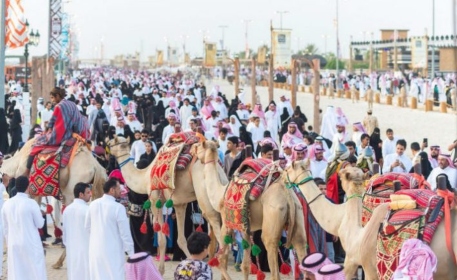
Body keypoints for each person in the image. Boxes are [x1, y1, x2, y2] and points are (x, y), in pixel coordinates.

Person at [26, 87, 90, 174]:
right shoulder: (72, 103)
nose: (51, 100)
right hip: (78, 133)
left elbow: (59, 127)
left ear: (57, 96)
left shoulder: (59, 106)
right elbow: (55, 120)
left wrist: (50, 136)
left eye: (52, 98)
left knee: (36, 144)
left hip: (66, 135)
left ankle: (27, 171)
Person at [85, 178, 134, 280]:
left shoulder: (92, 204)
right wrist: (131, 253)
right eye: (119, 188)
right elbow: (125, 233)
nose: (121, 190)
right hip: (113, 252)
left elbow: (87, 227)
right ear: (112, 190)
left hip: (95, 250)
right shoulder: (118, 208)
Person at [1, 176, 46, 280]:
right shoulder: (31, 203)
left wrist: (8, 243)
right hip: (31, 243)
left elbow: (5, 228)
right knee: (35, 272)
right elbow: (40, 224)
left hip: (14, 243)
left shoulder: (7, 204)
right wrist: (42, 215)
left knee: (17, 272)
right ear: (28, 186)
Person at [62, 182, 92, 280]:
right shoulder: (87, 210)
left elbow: (64, 234)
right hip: (86, 248)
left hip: (72, 250)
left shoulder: (67, 210)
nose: (90, 194)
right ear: (81, 194)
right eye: (88, 192)